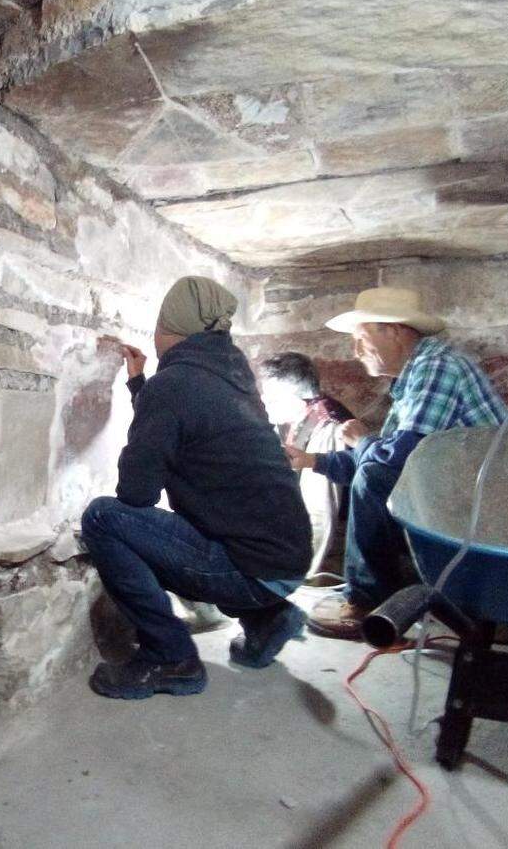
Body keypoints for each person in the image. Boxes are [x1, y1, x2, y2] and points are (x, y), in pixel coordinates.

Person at [82, 276, 311, 700]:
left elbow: (136, 495)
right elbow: (188, 420)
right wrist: (140, 388)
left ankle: (170, 659)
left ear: (165, 329)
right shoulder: (231, 372)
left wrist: (148, 398)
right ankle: (268, 621)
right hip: (288, 560)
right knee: (207, 532)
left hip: (251, 569)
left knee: (103, 518)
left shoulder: (174, 386)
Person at [286, 288, 508, 639]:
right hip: (461, 493)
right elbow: (379, 454)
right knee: (374, 470)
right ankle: (384, 592)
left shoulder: (437, 366)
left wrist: (362, 441)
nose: (356, 352)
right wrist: (310, 460)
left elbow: (396, 460)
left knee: (376, 476)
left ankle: (365, 600)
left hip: (487, 504)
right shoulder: (413, 379)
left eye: (362, 339)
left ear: (395, 330)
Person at [260, 352, 354, 587]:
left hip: (335, 549)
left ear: (296, 399)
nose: (263, 402)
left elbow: (321, 513)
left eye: (271, 398)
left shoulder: (328, 428)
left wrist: (298, 575)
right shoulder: (304, 416)